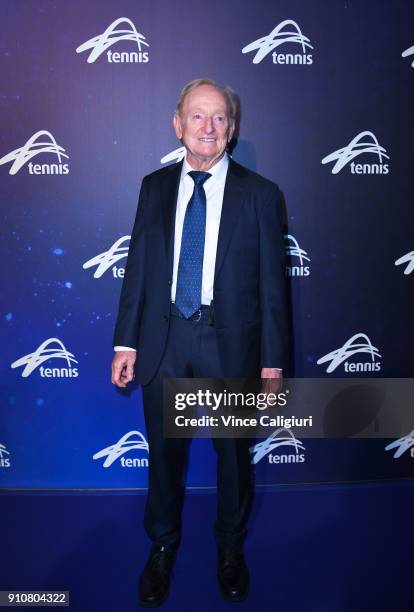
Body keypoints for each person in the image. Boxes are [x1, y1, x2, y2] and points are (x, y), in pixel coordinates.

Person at [111, 78, 289, 607]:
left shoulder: (262, 194)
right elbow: (138, 272)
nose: (207, 127)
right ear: (178, 124)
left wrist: (273, 364)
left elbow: (274, 291)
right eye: (197, 116)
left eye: (218, 118)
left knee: (233, 458)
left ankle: (230, 550)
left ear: (231, 129)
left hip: (229, 347)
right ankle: (162, 547)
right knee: (164, 456)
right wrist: (126, 342)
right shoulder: (154, 187)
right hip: (163, 344)